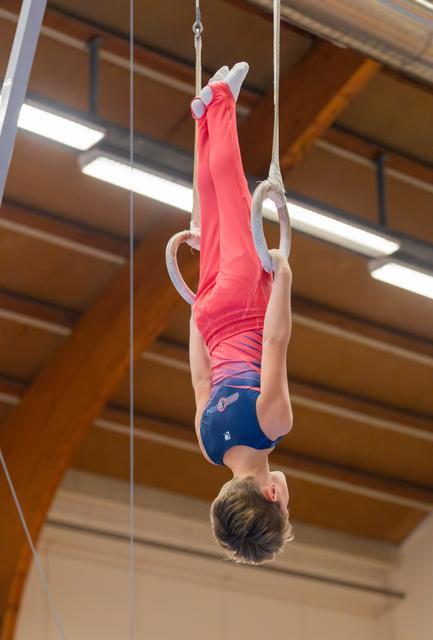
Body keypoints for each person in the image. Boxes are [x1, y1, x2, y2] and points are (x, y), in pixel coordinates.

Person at [189, 62, 294, 565]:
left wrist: (283, 281)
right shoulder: (209, 446)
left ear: (272, 495)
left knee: (233, 198)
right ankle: (205, 117)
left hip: (246, 302)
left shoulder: (272, 424)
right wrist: (194, 312)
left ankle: (222, 101)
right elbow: (201, 375)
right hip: (209, 314)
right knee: (213, 210)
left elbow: (274, 344)